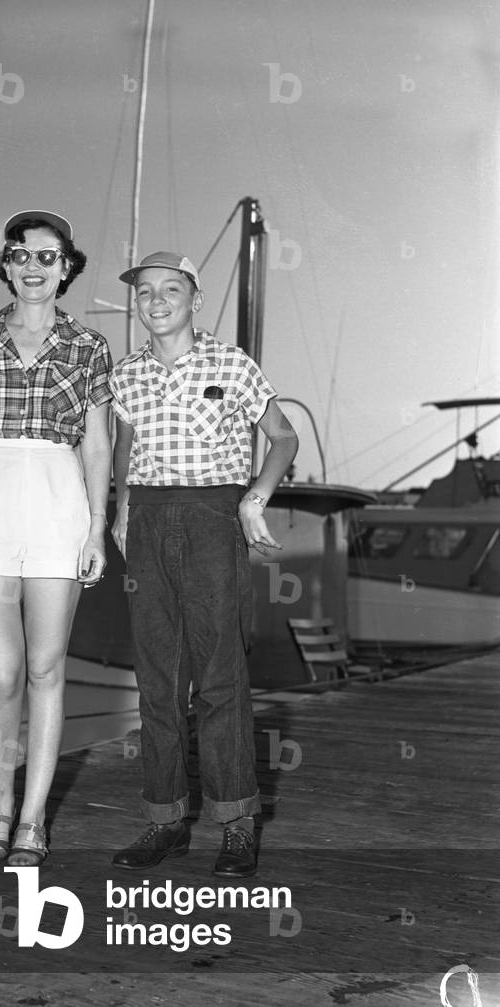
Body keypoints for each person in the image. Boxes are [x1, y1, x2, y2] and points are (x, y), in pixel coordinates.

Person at [109, 251, 298, 877]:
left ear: (194, 297)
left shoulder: (232, 364)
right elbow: (124, 448)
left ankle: (237, 822)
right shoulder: (126, 374)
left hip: (214, 517)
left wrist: (254, 498)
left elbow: (284, 437)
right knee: (157, 677)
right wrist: (120, 510)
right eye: (144, 291)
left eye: (170, 289)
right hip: (148, 521)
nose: (156, 300)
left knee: (219, 677)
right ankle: (164, 819)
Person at [0, 210, 112, 866]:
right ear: (5, 265)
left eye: (47, 257)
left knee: (45, 668)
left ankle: (32, 820)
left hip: (57, 499)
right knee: (2, 675)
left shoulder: (90, 346)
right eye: (21, 256)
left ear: (66, 267)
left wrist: (97, 525)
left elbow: (97, 445)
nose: (34, 268)